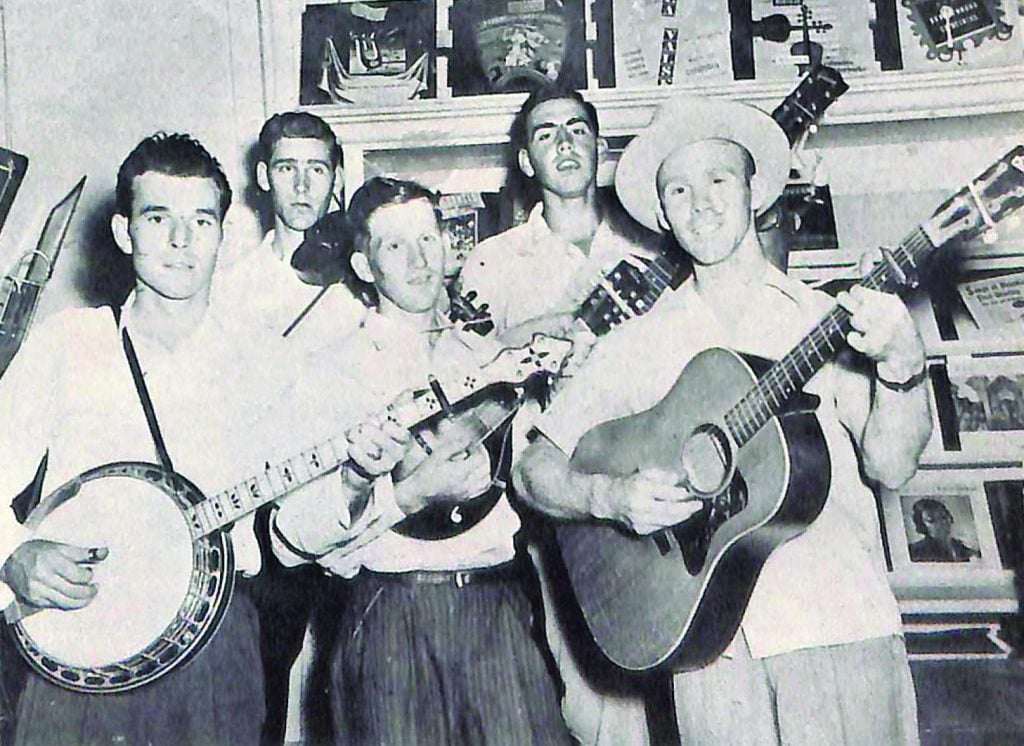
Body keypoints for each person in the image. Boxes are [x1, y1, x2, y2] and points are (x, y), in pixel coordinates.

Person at [514, 95, 934, 745]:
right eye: (678, 189)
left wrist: (903, 365)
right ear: (662, 214)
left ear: (755, 192)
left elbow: (892, 464)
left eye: (718, 179)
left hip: (836, 628)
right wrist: (608, 497)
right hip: (707, 656)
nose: (701, 203)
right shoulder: (638, 343)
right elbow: (533, 468)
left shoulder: (822, 319)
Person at [0, 133, 405, 746]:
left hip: (212, 649)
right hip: (77, 647)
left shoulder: (267, 361)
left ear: (223, 234)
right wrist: (13, 555)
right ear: (123, 232)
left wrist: (354, 480)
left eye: (201, 221)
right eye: (157, 218)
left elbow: (296, 536)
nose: (181, 241)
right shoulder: (68, 343)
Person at [270, 176, 571, 745]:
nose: (419, 260)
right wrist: (400, 493)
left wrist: (566, 381)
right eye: (395, 245)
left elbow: (534, 470)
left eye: (428, 239)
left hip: (496, 609)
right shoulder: (331, 371)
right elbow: (295, 535)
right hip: (391, 614)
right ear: (364, 266)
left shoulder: (491, 359)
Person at [458, 81, 664, 745]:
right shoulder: (492, 261)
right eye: (546, 133)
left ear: (599, 147)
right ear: (526, 160)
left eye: (577, 129)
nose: (565, 143)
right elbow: (462, 381)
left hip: (652, 480)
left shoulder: (653, 248)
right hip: (550, 499)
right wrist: (532, 340)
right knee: (582, 696)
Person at [212, 111, 363, 355]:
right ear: (264, 177)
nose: (301, 186)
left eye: (316, 170)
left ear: (337, 181)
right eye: (287, 168)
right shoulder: (231, 288)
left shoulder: (363, 278)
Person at [909, 498, 982, 563]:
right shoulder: (915, 551)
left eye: (943, 517)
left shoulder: (965, 550)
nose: (941, 523)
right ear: (922, 525)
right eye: (931, 520)